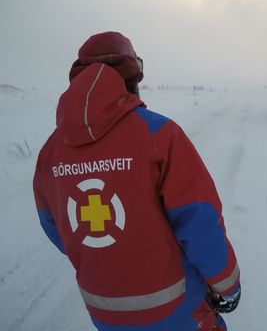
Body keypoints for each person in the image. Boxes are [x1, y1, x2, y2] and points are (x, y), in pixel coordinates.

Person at [33, 31, 241, 331]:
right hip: (177, 311)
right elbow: (200, 222)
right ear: (131, 76)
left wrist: (107, 258)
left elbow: (55, 226)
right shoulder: (159, 135)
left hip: (103, 314)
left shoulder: (49, 153)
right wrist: (227, 286)